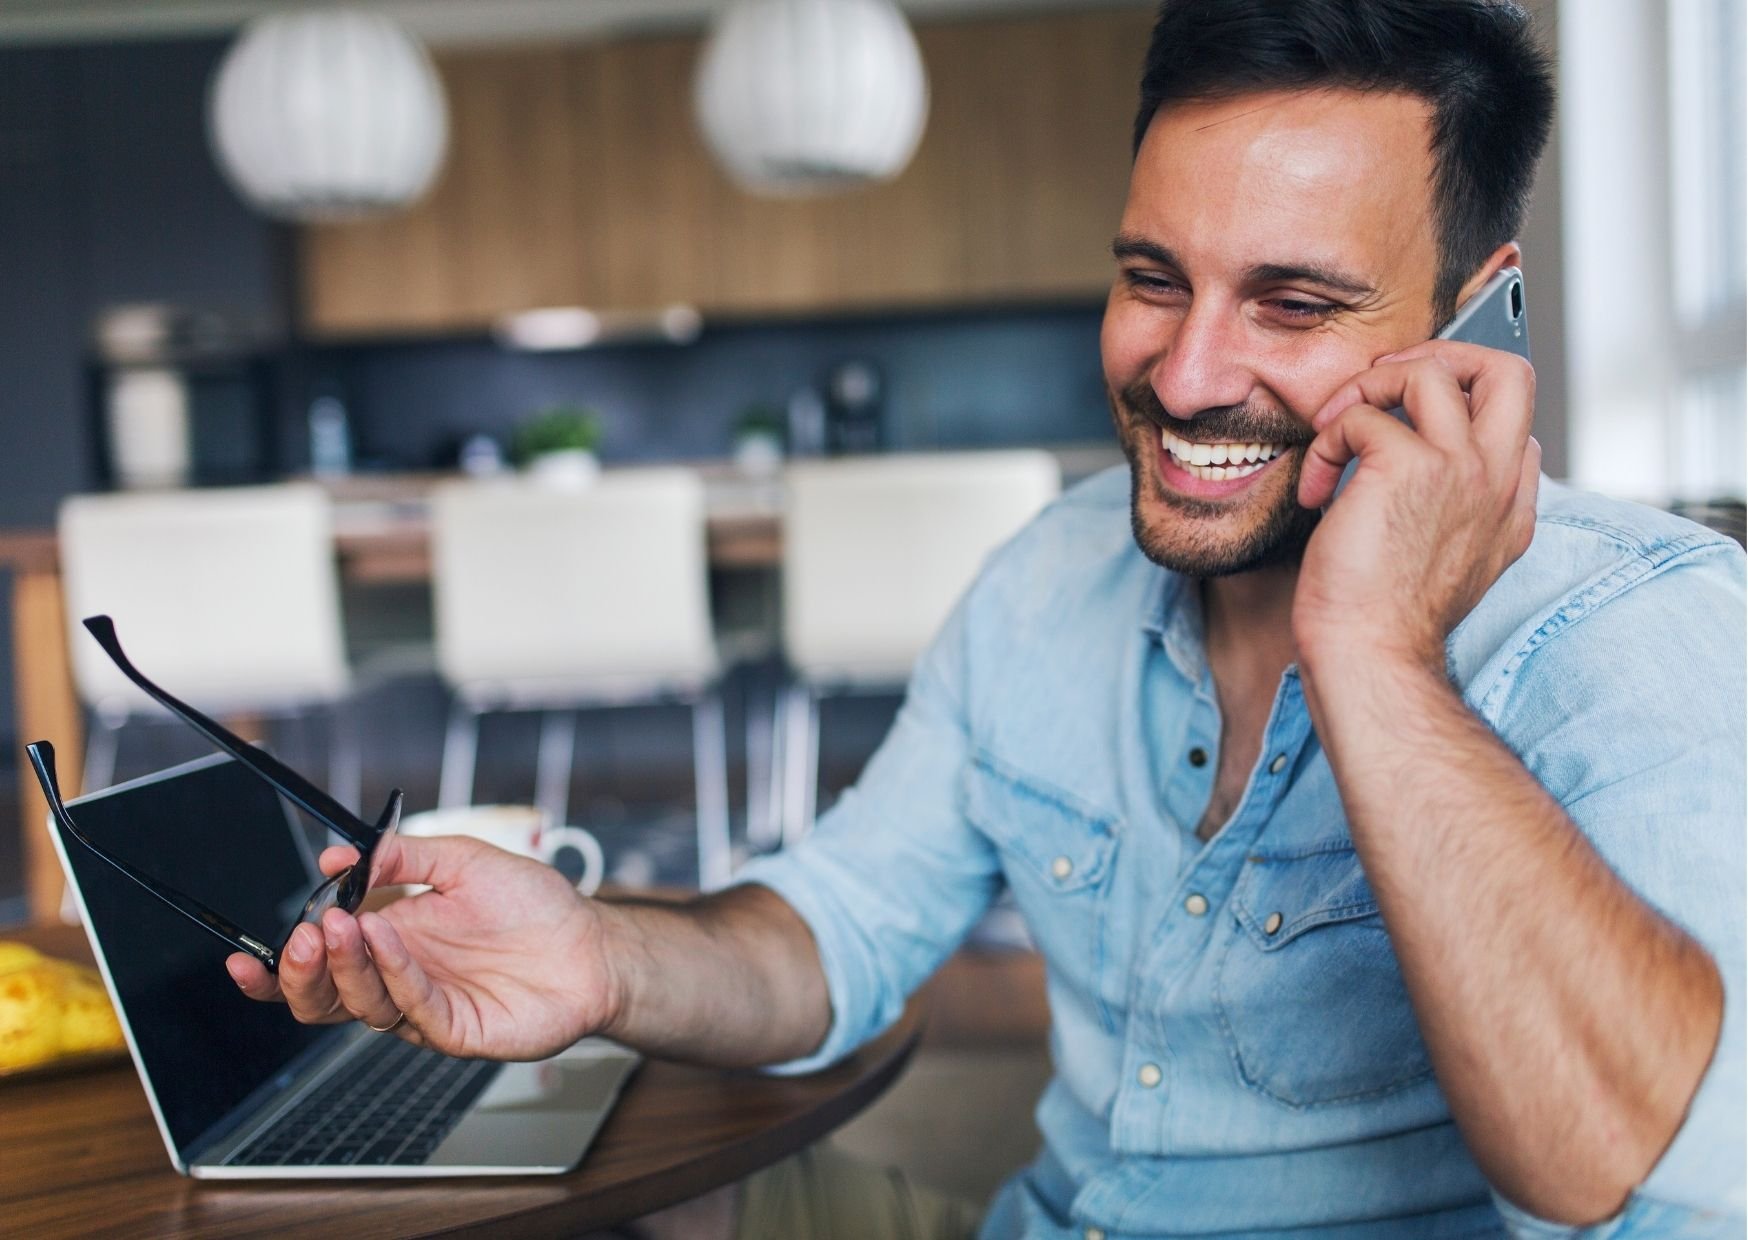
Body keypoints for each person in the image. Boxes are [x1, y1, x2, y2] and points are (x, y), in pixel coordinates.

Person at [229, 1, 1745, 1236]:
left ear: (1476, 316)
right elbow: (836, 931)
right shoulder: (1050, 574)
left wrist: (1372, 652)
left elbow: (1632, 1163)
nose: (1191, 373)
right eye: (1155, 279)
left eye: (1293, 305)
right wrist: (598, 959)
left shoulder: (1636, 626)